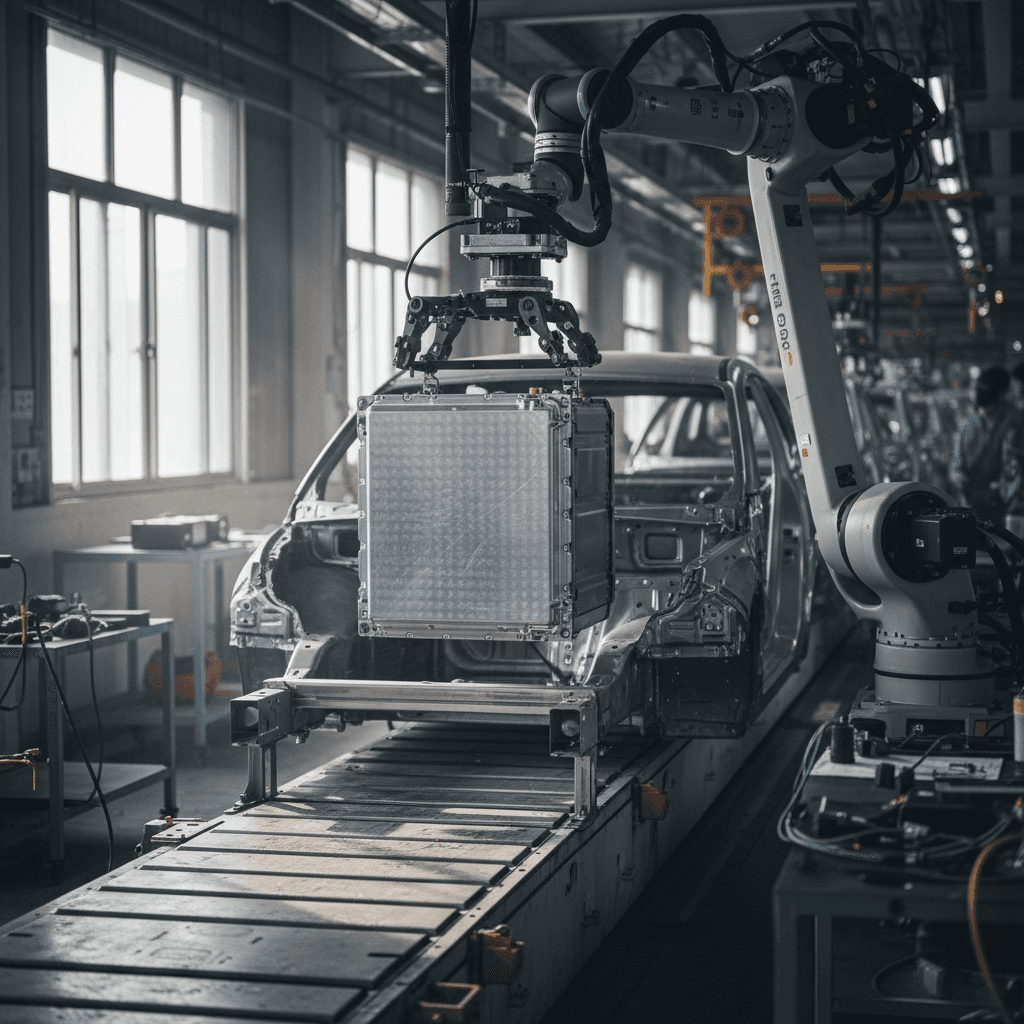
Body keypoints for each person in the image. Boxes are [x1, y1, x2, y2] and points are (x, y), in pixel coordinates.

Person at [949, 367, 1019, 523]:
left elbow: (1016, 470)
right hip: (970, 508)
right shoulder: (968, 425)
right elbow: (956, 466)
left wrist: (1000, 488)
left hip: (1005, 512)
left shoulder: (1017, 423)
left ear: (1002, 394)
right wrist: (960, 481)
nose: (985, 411)